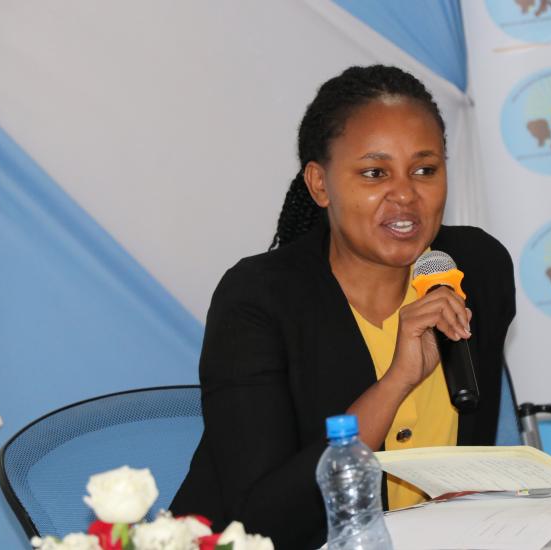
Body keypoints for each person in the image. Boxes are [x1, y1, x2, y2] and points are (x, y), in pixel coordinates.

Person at [172, 65, 515, 549]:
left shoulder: (478, 268)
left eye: (425, 170)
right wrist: (397, 381)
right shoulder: (257, 300)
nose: (405, 194)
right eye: (375, 173)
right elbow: (266, 522)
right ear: (319, 184)